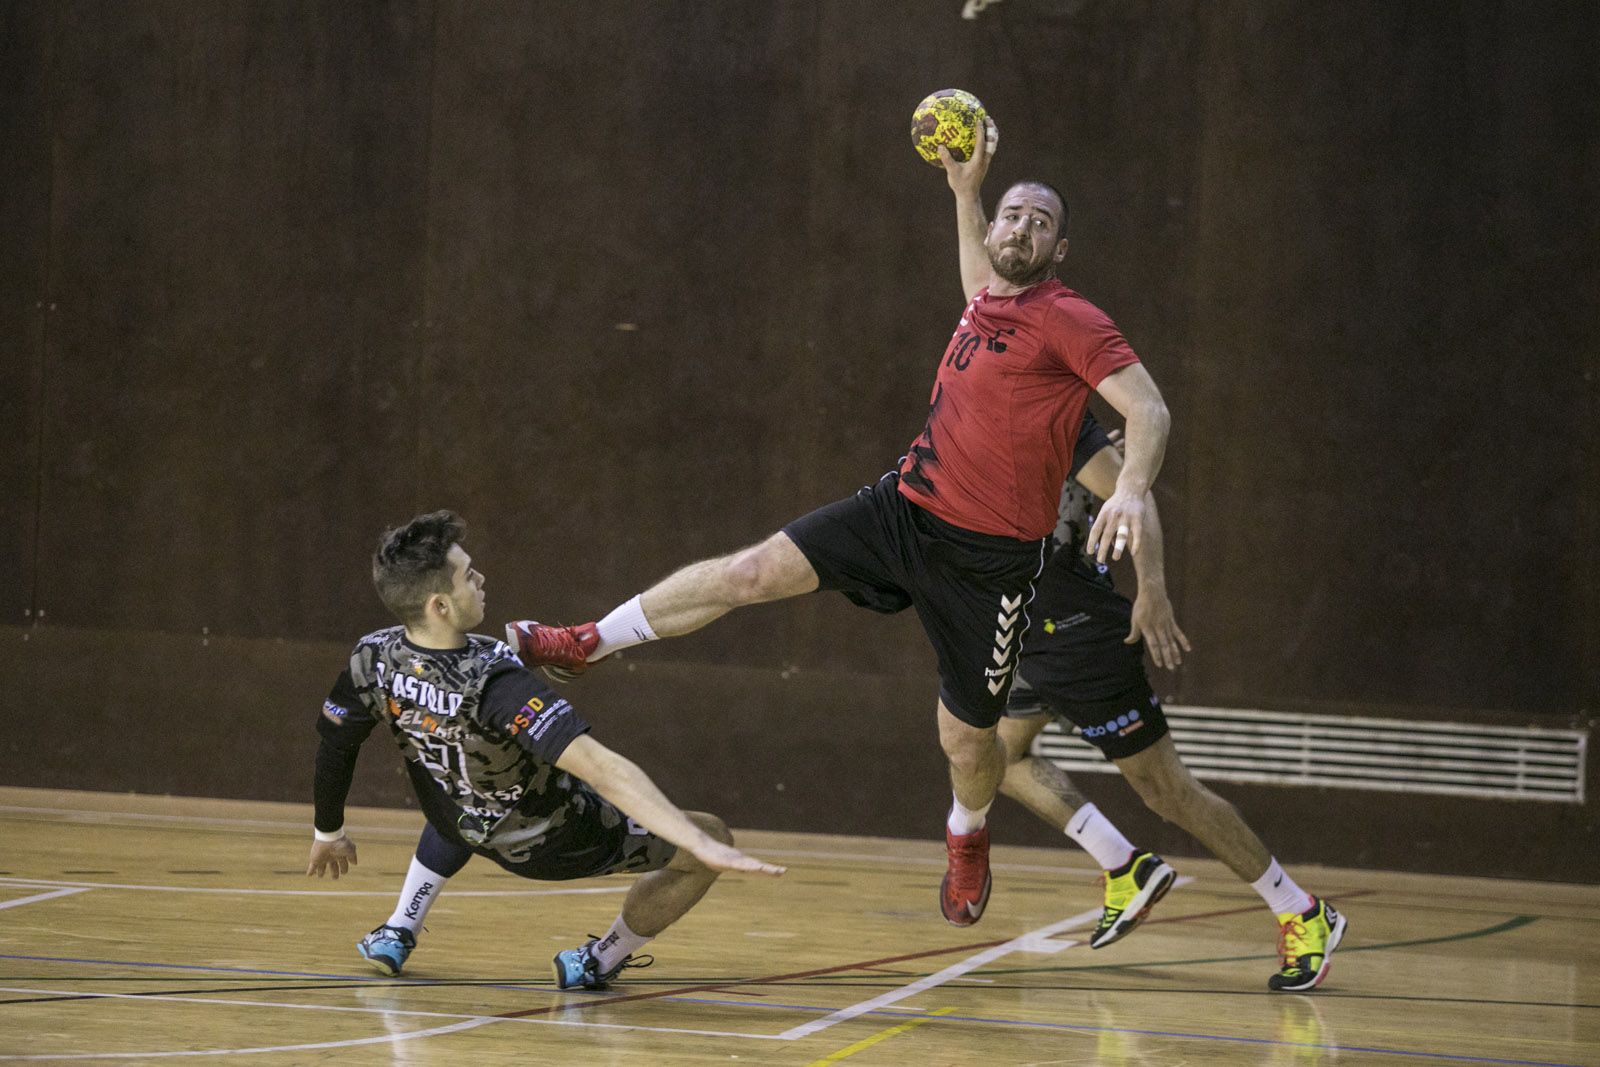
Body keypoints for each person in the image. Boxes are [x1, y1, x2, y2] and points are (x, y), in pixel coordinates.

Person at [505, 122, 1174, 929]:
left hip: (991, 566)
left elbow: (1149, 406)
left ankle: (967, 832)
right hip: (902, 510)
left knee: (968, 743)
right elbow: (976, 278)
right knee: (749, 572)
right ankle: (588, 640)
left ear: (1060, 249)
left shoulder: (1070, 318)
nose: (1020, 226)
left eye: (1040, 221)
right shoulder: (987, 300)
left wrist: (1132, 486)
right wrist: (965, 192)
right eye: (1012, 213)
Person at [306, 510, 784, 989]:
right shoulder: (499, 684)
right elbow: (600, 769)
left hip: (454, 816)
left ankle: (399, 928)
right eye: (468, 576)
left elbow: (336, 743)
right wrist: (697, 842)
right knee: (713, 836)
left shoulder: (372, 657)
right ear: (441, 606)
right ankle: (598, 958)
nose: (480, 579)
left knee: (451, 770)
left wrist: (329, 832)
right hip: (549, 841)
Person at [1001, 412, 1348, 991]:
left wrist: (1152, 591)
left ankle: (1301, 912)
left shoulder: (1063, 426)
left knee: (1168, 792)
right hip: (1033, 637)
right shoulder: (984, 421)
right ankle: (1125, 865)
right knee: (995, 755)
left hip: (1083, 640)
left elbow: (1135, 499)